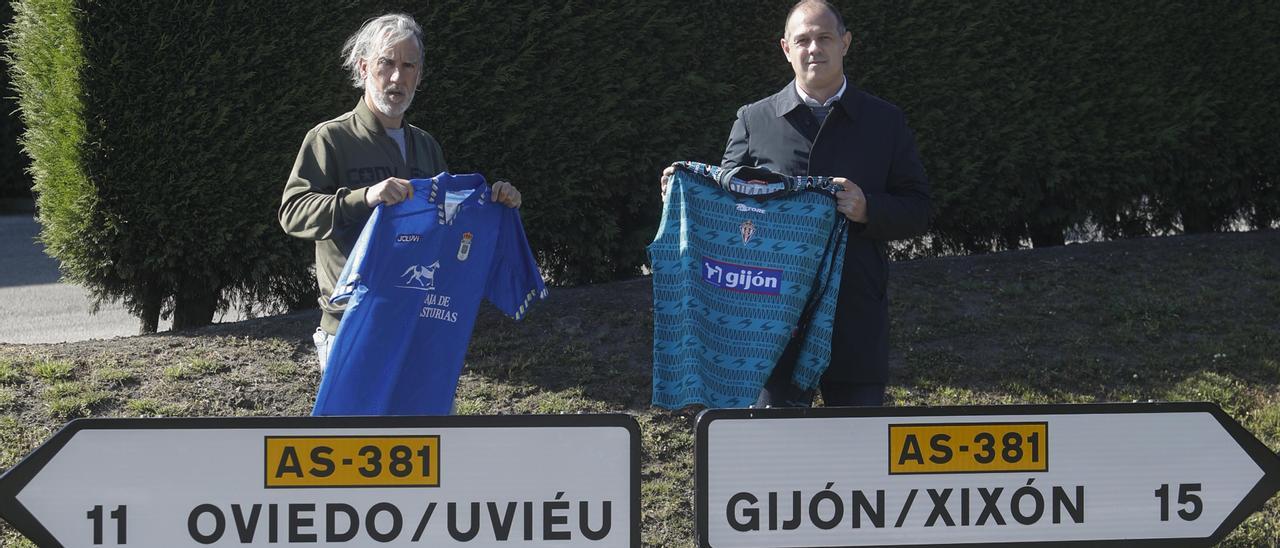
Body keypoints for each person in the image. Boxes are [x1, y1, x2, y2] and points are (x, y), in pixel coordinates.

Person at [660, 0, 931, 407]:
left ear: (846, 43)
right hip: (770, 326)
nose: (814, 49)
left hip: (854, 320)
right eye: (802, 40)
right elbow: (725, 205)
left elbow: (919, 209)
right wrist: (682, 193)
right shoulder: (755, 120)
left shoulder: (885, 121)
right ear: (786, 48)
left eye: (824, 38)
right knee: (775, 457)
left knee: (858, 453)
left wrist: (867, 208)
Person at [280, 13, 522, 372]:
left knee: (423, 431)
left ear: (419, 76)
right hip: (353, 328)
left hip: (421, 327)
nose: (397, 77)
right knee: (357, 432)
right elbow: (293, 212)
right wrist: (363, 197)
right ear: (363, 68)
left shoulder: (426, 146)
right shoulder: (330, 139)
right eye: (386, 63)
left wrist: (496, 201)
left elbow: (449, 225)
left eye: (408, 66)